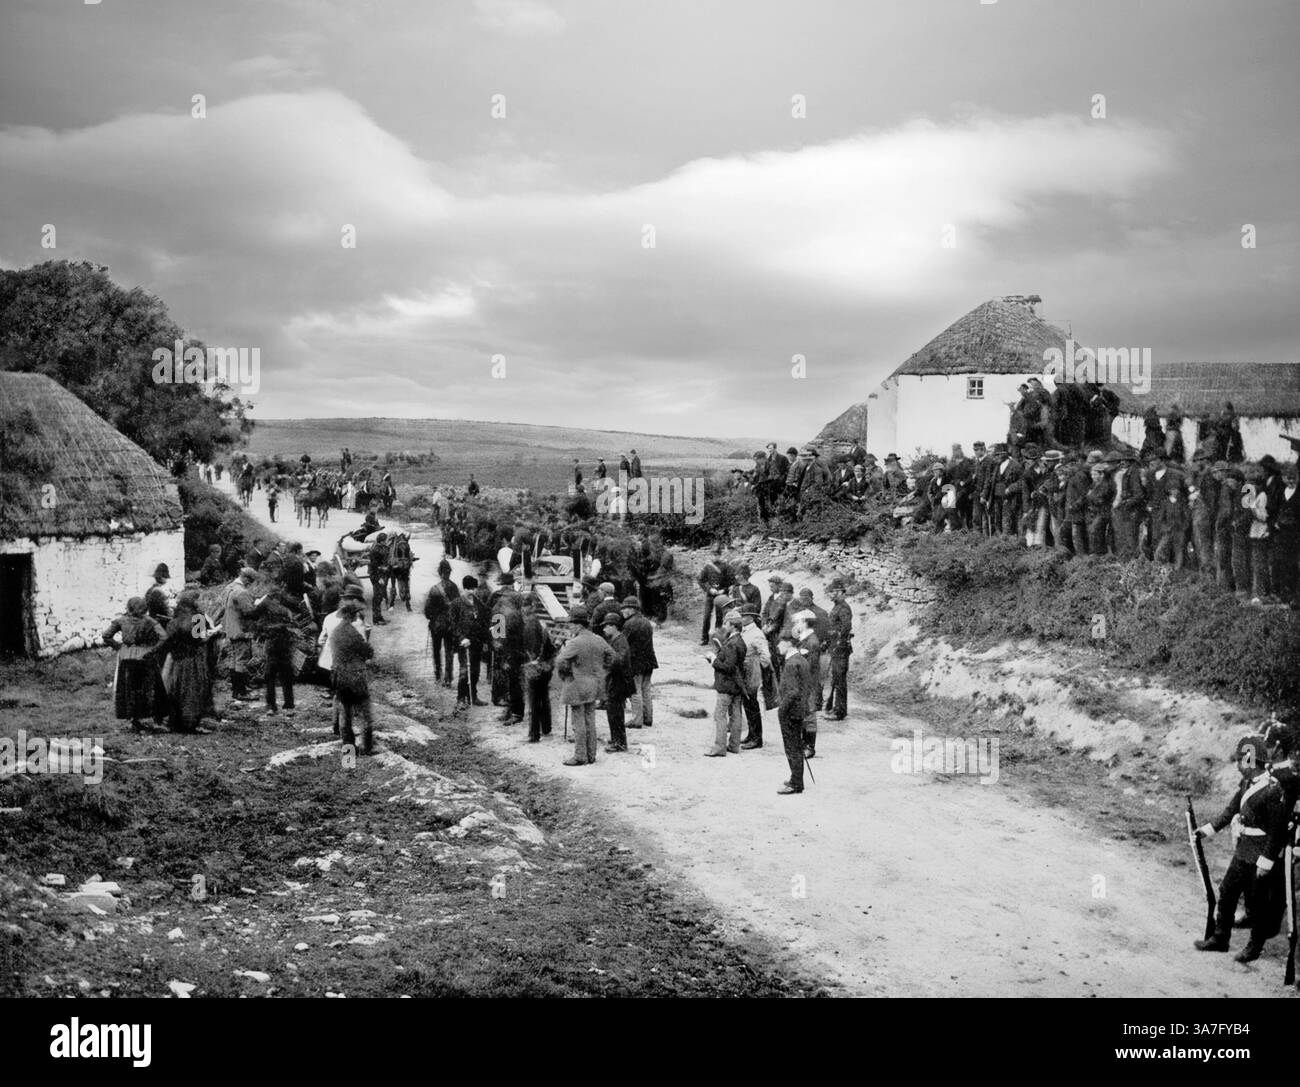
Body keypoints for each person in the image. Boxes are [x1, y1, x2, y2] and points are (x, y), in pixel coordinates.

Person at [1193, 735, 1290, 962]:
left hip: (1260, 856)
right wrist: (1207, 830)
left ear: (1249, 761)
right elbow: (1230, 811)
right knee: (1227, 892)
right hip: (1243, 850)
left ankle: (1254, 948)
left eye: (1240, 761)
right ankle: (1220, 938)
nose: (1237, 765)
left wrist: (1266, 861)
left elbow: (1277, 831)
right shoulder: (1246, 785)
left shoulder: (1273, 790)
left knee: (1257, 906)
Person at [554, 606, 613, 766]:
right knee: (590, 720)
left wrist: (567, 672)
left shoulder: (575, 642)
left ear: (579, 625)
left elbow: (560, 661)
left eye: (571, 624)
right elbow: (611, 656)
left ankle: (580, 756)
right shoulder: (599, 639)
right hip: (594, 685)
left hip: (577, 686)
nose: (570, 627)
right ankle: (591, 755)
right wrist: (603, 670)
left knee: (578, 722)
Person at [102, 597, 167, 732]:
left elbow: (106, 635)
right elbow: (163, 637)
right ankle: (156, 719)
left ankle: (135, 720)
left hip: (127, 657)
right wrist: (153, 650)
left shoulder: (121, 620)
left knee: (130, 689)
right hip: (145, 656)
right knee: (151, 687)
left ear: (129, 607)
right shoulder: (151, 621)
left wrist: (119, 647)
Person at [158, 589, 215, 733]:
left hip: (177, 660)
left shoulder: (174, 620)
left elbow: (168, 639)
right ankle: (190, 725)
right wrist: (213, 634)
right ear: (193, 602)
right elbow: (200, 639)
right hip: (193, 659)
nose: (201, 602)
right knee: (193, 691)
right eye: (198, 599)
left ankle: (174, 722)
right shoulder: (198, 618)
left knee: (176, 690)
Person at [330, 600, 375, 755]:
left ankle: (348, 755)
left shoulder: (335, 632)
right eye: (355, 613)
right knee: (365, 714)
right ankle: (367, 748)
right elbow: (368, 651)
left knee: (345, 716)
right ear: (351, 615)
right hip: (355, 678)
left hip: (340, 678)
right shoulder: (353, 633)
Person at [704, 611, 746, 757]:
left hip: (726, 685)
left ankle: (719, 747)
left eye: (726, 623)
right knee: (736, 715)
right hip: (737, 685)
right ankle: (734, 745)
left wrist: (713, 660)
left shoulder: (731, 644)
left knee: (720, 715)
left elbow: (728, 666)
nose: (724, 626)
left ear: (733, 625)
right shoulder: (740, 640)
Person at [776, 632, 811, 795]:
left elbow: (793, 691)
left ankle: (796, 783)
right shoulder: (801, 659)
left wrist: (781, 710)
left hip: (791, 711)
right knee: (796, 746)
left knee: (792, 748)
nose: (777, 646)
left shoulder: (791, 664)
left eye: (780, 643)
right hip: (800, 709)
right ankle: (796, 779)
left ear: (788, 643)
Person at [258, 590, 299, 718]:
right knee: (286, 677)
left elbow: (260, 627)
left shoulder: (267, 613)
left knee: (270, 677)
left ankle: (271, 706)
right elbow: (294, 627)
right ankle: (289, 706)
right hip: (284, 647)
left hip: (272, 647)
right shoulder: (286, 611)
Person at [223, 568, 262, 704]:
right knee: (242, 660)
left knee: (234, 660)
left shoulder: (230, 587)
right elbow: (249, 612)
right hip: (241, 630)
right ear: (246, 579)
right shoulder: (242, 592)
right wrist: (258, 605)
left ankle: (236, 690)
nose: (250, 584)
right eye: (250, 582)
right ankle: (241, 692)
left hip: (231, 628)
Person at [600, 612, 634, 753]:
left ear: (614, 626)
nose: (604, 629)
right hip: (616, 682)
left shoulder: (620, 641)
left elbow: (619, 661)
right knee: (612, 712)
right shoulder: (616, 640)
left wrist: (605, 661)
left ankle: (619, 743)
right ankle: (616, 739)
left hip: (619, 683)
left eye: (607, 626)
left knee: (616, 714)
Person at [521, 598, 555, 741]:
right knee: (544, 696)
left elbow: (532, 648)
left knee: (533, 700)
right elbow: (551, 647)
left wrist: (532, 661)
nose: (523, 609)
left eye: (524, 606)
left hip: (535, 665)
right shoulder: (543, 623)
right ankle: (546, 727)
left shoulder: (530, 624)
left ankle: (534, 734)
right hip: (547, 665)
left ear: (531, 607)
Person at [621, 596, 657, 730]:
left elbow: (624, 644)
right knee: (646, 690)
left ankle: (637, 720)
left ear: (632, 609)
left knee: (635, 691)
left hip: (636, 662)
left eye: (624, 608)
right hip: (649, 660)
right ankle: (648, 718)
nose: (623, 611)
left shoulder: (629, 624)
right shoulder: (646, 622)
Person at [738, 604, 770, 748]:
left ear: (751, 617)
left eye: (743, 616)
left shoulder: (756, 634)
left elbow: (766, 657)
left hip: (752, 672)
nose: (741, 618)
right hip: (746, 671)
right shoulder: (745, 631)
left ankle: (757, 739)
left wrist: (757, 669)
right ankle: (751, 734)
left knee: (752, 704)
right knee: (747, 703)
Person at [423, 559, 459, 686]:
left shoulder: (434, 589)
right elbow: (457, 607)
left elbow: (427, 610)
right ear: (449, 572)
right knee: (449, 650)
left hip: (436, 625)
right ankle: (448, 678)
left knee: (436, 650)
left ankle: (438, 674)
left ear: (439, 573)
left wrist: (431, 617)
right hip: (450, 625)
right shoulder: (454, 588)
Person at [826, 579, 853, 720]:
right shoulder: (837, 606)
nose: (829, 595)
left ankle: (840, 712)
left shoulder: (843, 608)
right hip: (836, 646)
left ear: (839, 592)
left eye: (831, 592)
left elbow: (846, 628)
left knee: (839, 679)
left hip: (840, 648)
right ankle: (836, 708)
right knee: (836, 679)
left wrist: (838, 642)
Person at [369, 532, 390, 625]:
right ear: (382, 541)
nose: (386, 541)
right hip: (377, 576)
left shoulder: (383, 548)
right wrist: (379, 578)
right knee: (377, 598)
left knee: (380, 597)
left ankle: (379, 617)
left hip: (382, 576)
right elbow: (374, 566)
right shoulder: (375, 551)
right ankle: (376, 619)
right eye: (385, 540)